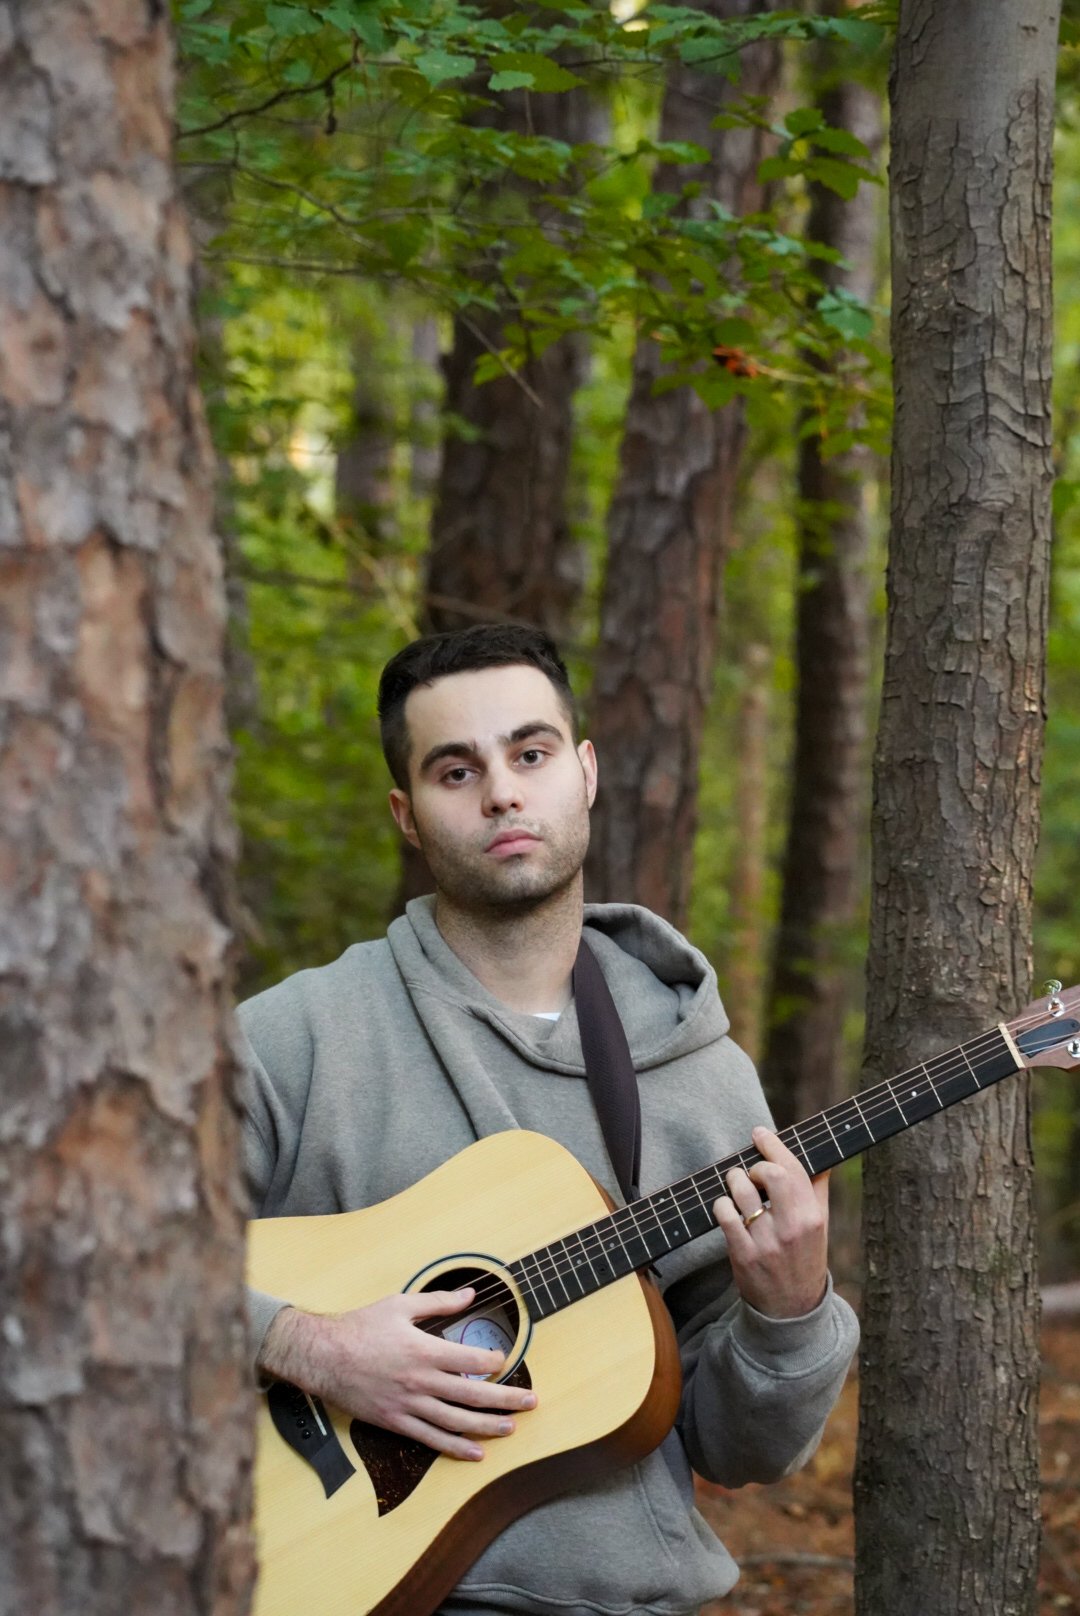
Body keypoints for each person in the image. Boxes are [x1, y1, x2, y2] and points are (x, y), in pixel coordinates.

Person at [239, 623, 859, 1616]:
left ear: (585, 772)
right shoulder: (297, 1036)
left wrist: (788, 1313)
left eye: (530, 753)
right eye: (456, 768)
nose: (502, 792)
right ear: (407, 812)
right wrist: (307, 1342)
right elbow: (87, 1246)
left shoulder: (701, 1077)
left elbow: (746, 1450)